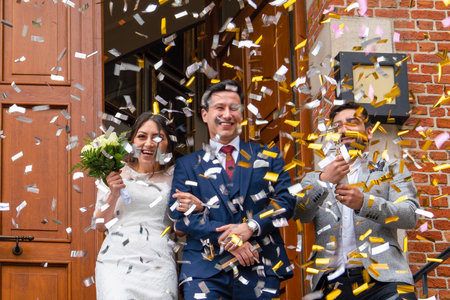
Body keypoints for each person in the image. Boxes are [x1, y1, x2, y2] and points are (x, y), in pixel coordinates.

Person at [168, 80, 296, 299]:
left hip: (259, 264)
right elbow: (182, 217)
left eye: (233, 108)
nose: (226, 114)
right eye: (219, 108)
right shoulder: (187, 165)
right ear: (205, 114)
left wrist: (251, 227)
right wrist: (232, 239)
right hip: (205, 270)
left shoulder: (269, 156)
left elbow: (286, 202)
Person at [294, 102, 419, 299]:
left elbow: (411, 215)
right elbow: (301, 213)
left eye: (352, 123)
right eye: (338, 126)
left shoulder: (392, 167)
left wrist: (365, 203)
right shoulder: (313, 178)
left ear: (369, 132)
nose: (344, 130)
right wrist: (324, 182)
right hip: (332, 285)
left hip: (386, 280)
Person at [93, 112, 178, 300]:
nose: (149, 144)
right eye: (142, 136)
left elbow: (181, 228)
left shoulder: (177, 177)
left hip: (159, 262)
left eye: (158, 138)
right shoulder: (113, 172)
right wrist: (114, 193)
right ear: (132, 142)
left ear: (167, 144)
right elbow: (100, 225)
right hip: (115, 261)